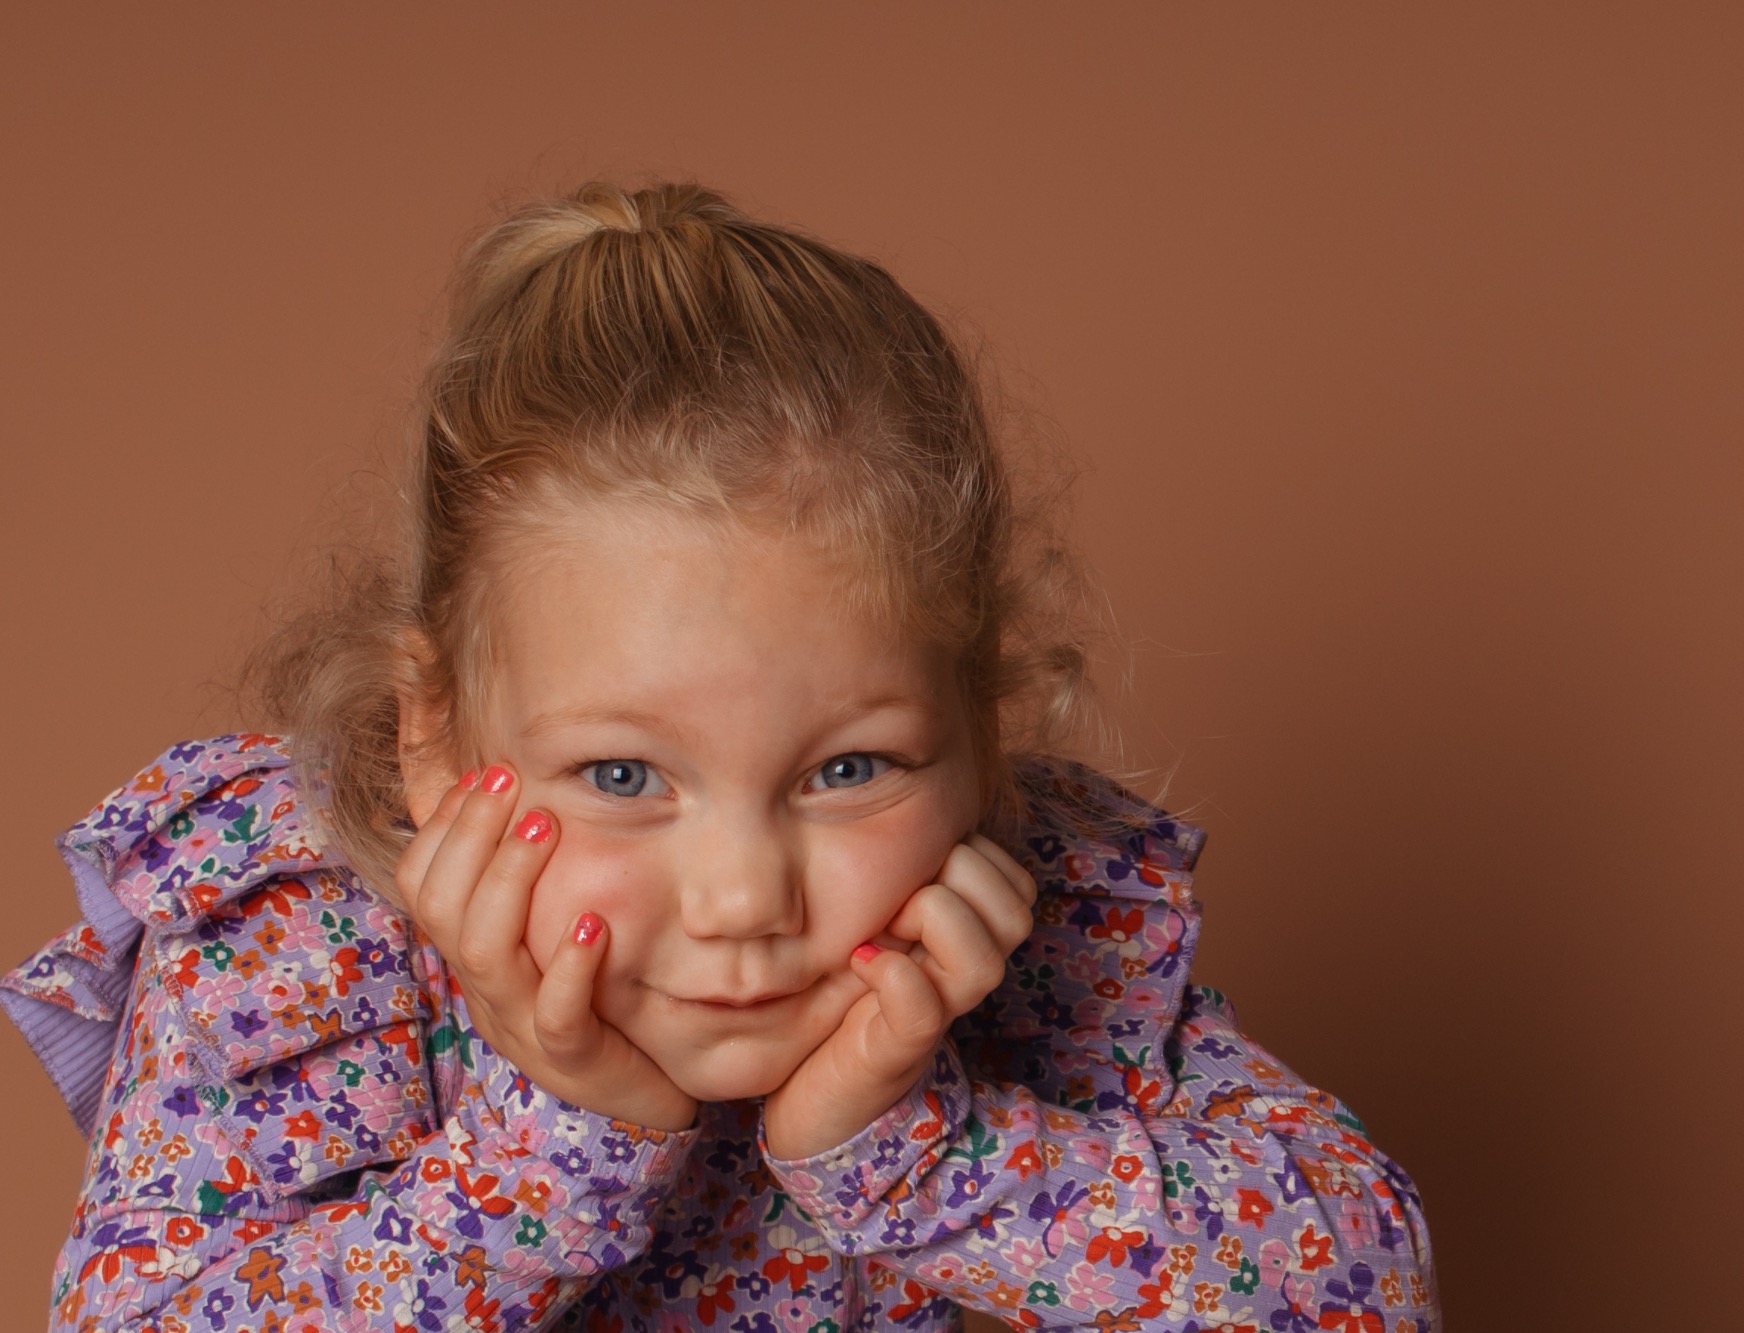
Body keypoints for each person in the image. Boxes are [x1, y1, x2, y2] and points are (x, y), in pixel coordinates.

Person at [1, 182, 1440, 1332]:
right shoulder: (302, 945)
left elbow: (1364, 1289)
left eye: (849, 770)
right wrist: (548, 1149)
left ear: (981, 732)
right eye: (624, 777)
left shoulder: (1018, 930)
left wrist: (913, 1149)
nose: (745, 896)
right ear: (429, 736)